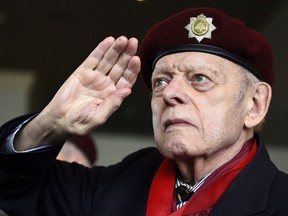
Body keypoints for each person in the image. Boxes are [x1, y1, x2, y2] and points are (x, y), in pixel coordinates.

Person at [0, 7, 287, 216]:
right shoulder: (114, 185)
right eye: (160, 81)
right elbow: (12, 186)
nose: (170, 93)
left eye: (199, 78)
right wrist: (52, 122)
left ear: (255, 104)